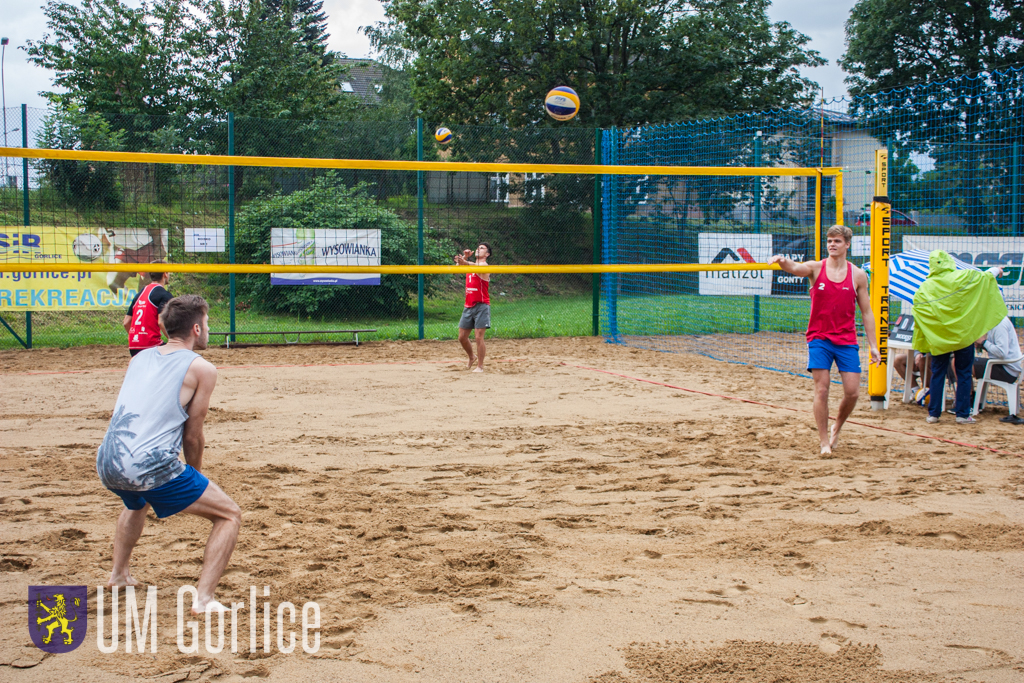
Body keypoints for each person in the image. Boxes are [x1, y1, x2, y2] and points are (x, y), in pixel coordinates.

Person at [97, 295, 241, 615]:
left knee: (137, 500)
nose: (208, 329)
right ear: (195, 328)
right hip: (147, 465)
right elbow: (192, 434)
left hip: (108, 458)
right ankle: (204, 600)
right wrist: (197, 474)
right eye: (207, 324)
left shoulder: (140, 358)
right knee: (229, 514)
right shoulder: (202, 368)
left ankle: (119, 575)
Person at [769, 225, 880, 455]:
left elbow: (867, 312)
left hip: (846, 338)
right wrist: (782, 260)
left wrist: (874, 346)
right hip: (819, 337)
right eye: (829, 240)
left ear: (847, 244)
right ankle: (823, 443)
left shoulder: (858, 275)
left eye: (837, 241)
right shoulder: (816, 267)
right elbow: (797, 267)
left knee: (852, 392)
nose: (832, 244)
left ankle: (836, 426)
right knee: (822, 389)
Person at [912, 252, 1006, 425]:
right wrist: (996, 269)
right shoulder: (964, 277)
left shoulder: (925, 288)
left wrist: (924, 341)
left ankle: (933, 414)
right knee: (963, 373)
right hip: (963, 336)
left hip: (940, 339)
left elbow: (918, 310)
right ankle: (962, 414)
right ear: (949, 261)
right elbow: (984, 278)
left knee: (937, 373)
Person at [974, 315, 1023, 424]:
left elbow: (1001, 353)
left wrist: (984, 342)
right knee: (964, 363)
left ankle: (968, 401)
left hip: (1006, 369)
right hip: (1007, 366)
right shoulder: (995, 321)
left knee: (960, 364)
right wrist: (981, 345)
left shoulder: (999, 324)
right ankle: (971, 400)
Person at [455, 243, 492, 372]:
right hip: (468, 305)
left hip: (481, 305)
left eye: (482, 248)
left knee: (478, 337)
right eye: (478, 247)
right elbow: (458, 268)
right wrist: (463, 259)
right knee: (462, 337)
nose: (478, 249)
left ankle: (480, 366)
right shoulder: (471, 266)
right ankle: (472, 357)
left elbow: (474, 266)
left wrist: (464, 261)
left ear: (487, 254)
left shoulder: (484, 266)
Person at [124, 270, 173, 357]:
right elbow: (161, 322)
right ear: (165, 274)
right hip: (152, 346)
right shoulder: (165, 295)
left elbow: (126, 322)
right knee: (178, 355)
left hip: (134, 347)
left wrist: (138, 339)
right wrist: (173, 340)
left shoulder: (140, 293)